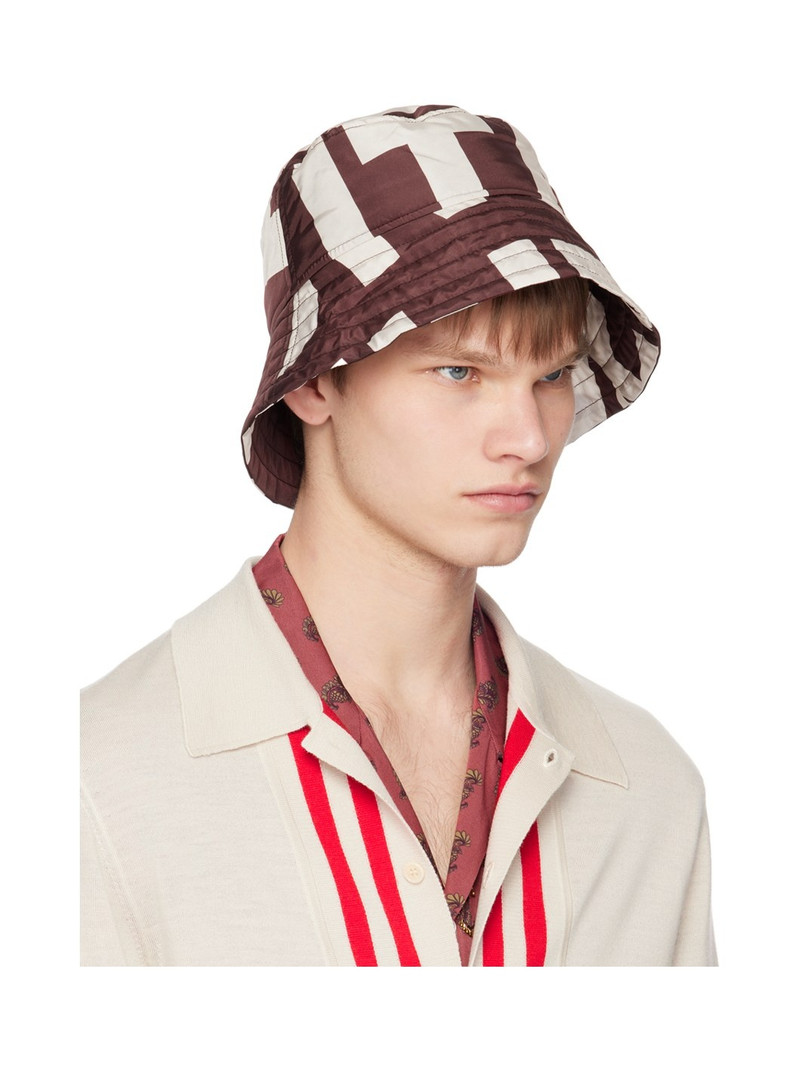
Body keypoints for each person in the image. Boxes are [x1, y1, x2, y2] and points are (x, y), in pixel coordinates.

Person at [80, 104, 716, 966]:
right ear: (314, 384)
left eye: (552, 375)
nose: (529, 438)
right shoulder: (101, 779)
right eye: (460, 371)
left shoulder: (646, 790)